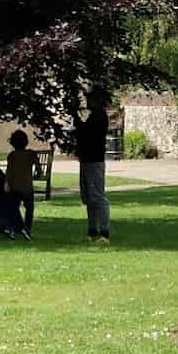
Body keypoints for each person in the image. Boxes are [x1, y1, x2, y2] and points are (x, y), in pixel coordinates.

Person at [74, 88, 110, 243]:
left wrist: (75, 115)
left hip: (94, 160)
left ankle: (103, 232)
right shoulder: (96, 116)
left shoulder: (99, 116)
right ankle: (93, 231)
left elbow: (83, 131)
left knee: (97, 197)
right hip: (88, 159)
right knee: (89, 197)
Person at [5, 130, 36, 239]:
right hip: (27, 187)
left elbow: (8, 171)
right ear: (26, 142)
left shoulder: (12, 155)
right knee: (29, 208)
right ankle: (27, 228)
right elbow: (39, 170)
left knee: (13, 207)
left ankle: (12, 228)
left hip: (14, 187)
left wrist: (7, 183)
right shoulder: (31, 154)